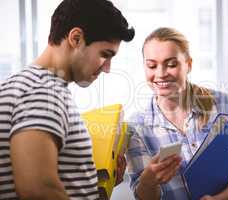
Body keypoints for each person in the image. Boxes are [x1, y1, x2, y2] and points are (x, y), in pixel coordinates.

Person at [0, 0, 134, 199]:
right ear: (76, 38)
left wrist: (93, 185)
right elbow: (37, 190)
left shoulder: (24, 84)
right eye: (105, 54)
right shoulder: (43, 93)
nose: (107, 68)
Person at [126, 27, 228, 200]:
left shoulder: (221, 104)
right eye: (151, 65)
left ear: (188, 65)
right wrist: (148, 182)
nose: (160, 74)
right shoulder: (136, 127)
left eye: (171, 64)